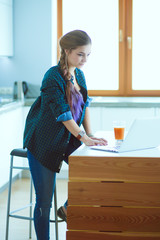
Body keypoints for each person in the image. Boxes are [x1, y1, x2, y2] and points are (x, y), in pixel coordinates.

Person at [23, 30, 108, 240]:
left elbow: (85, 104)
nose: (85, 60)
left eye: (88, 54)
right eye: (80, 54)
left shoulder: (79, 74)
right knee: (44, 201)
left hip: (69, 138)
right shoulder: (52, 76)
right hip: (43, 141)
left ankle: (67, 209)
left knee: (96, 171)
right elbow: (63, 113)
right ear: (67, 51)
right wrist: (83, 137)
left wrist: (89, 135)